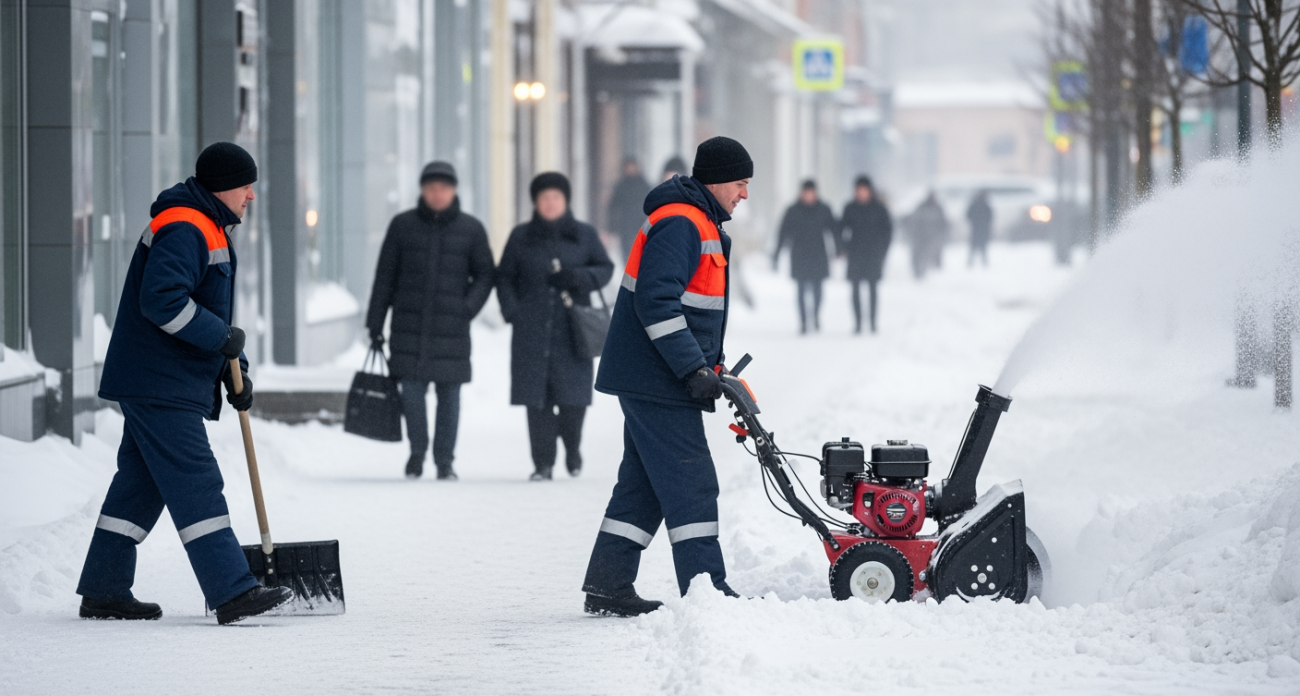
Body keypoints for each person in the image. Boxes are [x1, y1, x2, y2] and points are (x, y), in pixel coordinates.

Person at [80, 141, 293, 626]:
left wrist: (231, 372)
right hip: (158, 381)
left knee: (138, 487)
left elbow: (203, 315)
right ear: (223, 186)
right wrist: (222, 339)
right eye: (246, 185)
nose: (251, 196)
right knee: (197, 480)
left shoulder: (206, 224)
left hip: (158, 377)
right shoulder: (185, 225)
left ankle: (103, 588)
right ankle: (232, 590)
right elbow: (163, 303)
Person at [581, 136, 750, 617]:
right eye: (739, 183)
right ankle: (707, 591)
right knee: (691, 481)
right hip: (657, 378)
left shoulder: (698, 221)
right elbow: (656, 303)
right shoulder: (682, 223)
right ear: (717, 181)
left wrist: (708, 365)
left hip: (654, 375)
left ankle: (609, 584)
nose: (743, 194)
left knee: (642, 485)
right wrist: (691, 367)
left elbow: (691, 308)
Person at [366, 161, 496, 481]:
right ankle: (417, 453)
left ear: (454, 191)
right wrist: (375, 323)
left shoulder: (471, 229)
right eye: (431, 188)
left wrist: (467, 308)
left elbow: (485, 275)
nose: (437, 194)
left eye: (444, 188)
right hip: (408, 328)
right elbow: (385, 277)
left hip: (452, 328)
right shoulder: (402, 225)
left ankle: (445, 461)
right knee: (411, 396)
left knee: (449, 399)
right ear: (422, 191)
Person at [497, 173, 615, 481]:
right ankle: (542, 464)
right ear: (536, 202)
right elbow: (505, 276)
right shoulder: (521, 236)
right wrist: (512, 311)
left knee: (573, 402)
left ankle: (572, 447)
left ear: (565, 201)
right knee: (538, 402)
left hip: (573, 332)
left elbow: (605, 268)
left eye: (556, 198)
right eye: (544, 198)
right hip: (531, 331)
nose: (550, 203)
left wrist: (579, 278)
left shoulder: (585, 235)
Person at [772, 180, 837, 334]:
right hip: (799, 254)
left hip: (818, 254)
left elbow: (833, 229)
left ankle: (815, 315)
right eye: (806, 192)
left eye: (811, 192)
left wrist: (838, 249)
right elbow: (783, 233)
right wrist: (777, 253)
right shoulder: (793, 210)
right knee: (800, 290)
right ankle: (803, 321)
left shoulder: (824, 209)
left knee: (818, 290)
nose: (808, 195)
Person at [840, 175, 893, 334]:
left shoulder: (879, 209)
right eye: (859, 190)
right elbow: (841, 229)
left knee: (873, 290)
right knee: (855, 290)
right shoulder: (850, 208)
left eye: (864, 190)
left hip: (873, 255)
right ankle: (857, 323)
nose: (862, 193)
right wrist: (844, 248)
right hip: (855, 254)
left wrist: (882, 250)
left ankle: (872, 322)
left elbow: (887, 231)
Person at [607, 156, 653, 258]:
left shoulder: (644, 185)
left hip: (641, 224)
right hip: (625, 226)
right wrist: (612, 228)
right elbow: (613, 208)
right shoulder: (621, 186)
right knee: (627, 253)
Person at [908, 191, 949, 279]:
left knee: (928, 255)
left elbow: (943, 223)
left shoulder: (938, 208)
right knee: (918, 255)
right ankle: (918, 272)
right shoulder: (922, 207)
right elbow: (915, 221)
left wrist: (941, 234)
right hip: (920, 237)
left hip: (932, 238)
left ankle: (925, 270)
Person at [966, 189, 993, 267]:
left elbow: (990, 217)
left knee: (979, 248)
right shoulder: (981, 205)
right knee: (977, 248)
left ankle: (976, 262)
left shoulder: (981, 205)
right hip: (978, 229)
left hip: (978, 229)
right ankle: (973, 262)